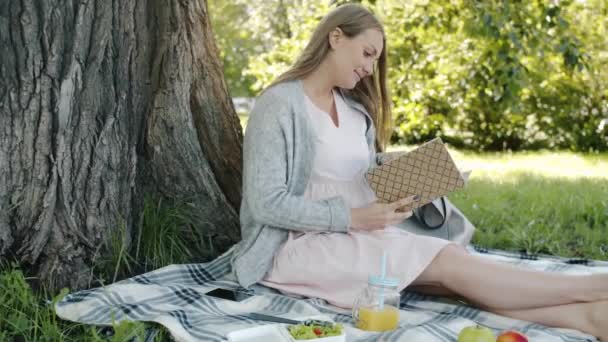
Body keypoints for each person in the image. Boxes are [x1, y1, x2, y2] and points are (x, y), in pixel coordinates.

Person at [230, 3, 608, 340]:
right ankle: (593, 286)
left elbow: (351, 173)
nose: (370, 68)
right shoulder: (279, 105)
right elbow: (266, 204)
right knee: (452, 264)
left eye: (376, 59)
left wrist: (401, 171)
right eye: (367, 53)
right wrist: (354, 217)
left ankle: (589, 318)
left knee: (459, 279)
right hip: (297, 246)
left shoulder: (352, 110)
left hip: (360, 233)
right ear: (335, 37)